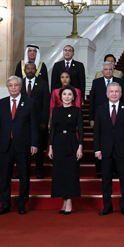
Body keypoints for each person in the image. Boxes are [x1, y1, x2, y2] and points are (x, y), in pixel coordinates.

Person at [0, 76, 38, 215]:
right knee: (5, 176)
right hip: (6, 145)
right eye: (10, 85)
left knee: (24, 175)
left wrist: (34, 143)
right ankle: (5, 204)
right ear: (7, 87)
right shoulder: (1, 103)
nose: (13, 87)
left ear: (20, 86)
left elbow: (33, 125)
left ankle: (22, 203)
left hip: (23, 144)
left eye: (16, 85)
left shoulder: (29, 102)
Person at [94, 82, 124, 216]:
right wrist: (97, 149)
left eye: (116, 91)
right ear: (107, 94)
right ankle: (107, 207)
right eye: (111, 91)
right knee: (106, 180)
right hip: (105, 150)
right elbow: (97, 131)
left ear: (121, 93)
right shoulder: (100, 109)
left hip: (123, 149)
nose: (114, 94)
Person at [47, 86, 83, 215]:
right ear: (60, 97)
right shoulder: (55, 111)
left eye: (69, 94)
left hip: (72, 142)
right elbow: (53, 130)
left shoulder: (77, 110)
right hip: (58, 143)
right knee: (60, 173)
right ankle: (63, 200)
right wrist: (50, 147)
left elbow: (81, 130)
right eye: (64, 94)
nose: (67, 96)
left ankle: (69, 202)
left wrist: (80, 146)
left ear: (73, 97)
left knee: (71, 172)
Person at [89, 62, 124, 179]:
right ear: (102, 71)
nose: (108, 71)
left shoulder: (119, 82)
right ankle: (99, 170)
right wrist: (91, 118)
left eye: (110, 69)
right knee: (100, 142)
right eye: (106, 69)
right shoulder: (96, 82)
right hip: (100, 118)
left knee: (115, 143)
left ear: (113, 70)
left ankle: (114, 170)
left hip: (116, 117)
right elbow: (92, 101)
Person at [21, 62, 50, 179]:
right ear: (24, 70)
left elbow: (45, 103)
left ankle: (39, 169)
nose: (30, 70)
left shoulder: (42, 84)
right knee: (23, 149)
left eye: (32, 69)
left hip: (38, 122)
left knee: (38, 147)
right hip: (22, 122)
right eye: (28, 68)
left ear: (36, 70)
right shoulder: (19, 84)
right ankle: (23, 171)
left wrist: (44, 120)